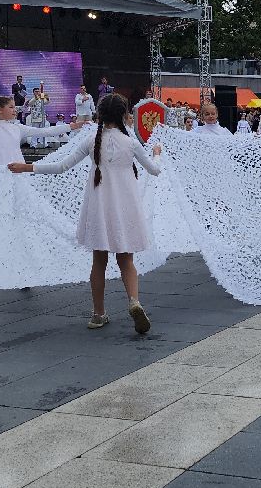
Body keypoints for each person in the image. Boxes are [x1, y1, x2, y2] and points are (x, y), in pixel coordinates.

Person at [9, 94, 161, 333]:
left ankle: (98, 314)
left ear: (98, 115)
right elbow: (155, 170)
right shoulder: (130, 143)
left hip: (99, 208)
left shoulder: (92, 140)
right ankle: (134, 301)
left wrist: (28, 167)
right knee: (127, 260)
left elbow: (61, 166)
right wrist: (157, 152)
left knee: (99, 262)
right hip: (126, 208)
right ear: (124, 115)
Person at [0, 97, 85, 164]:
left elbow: (45, 132)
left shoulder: (18, 128)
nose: (14, 110)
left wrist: (72, 126)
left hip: (17, 171)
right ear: (0, 110)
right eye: (11, 107)